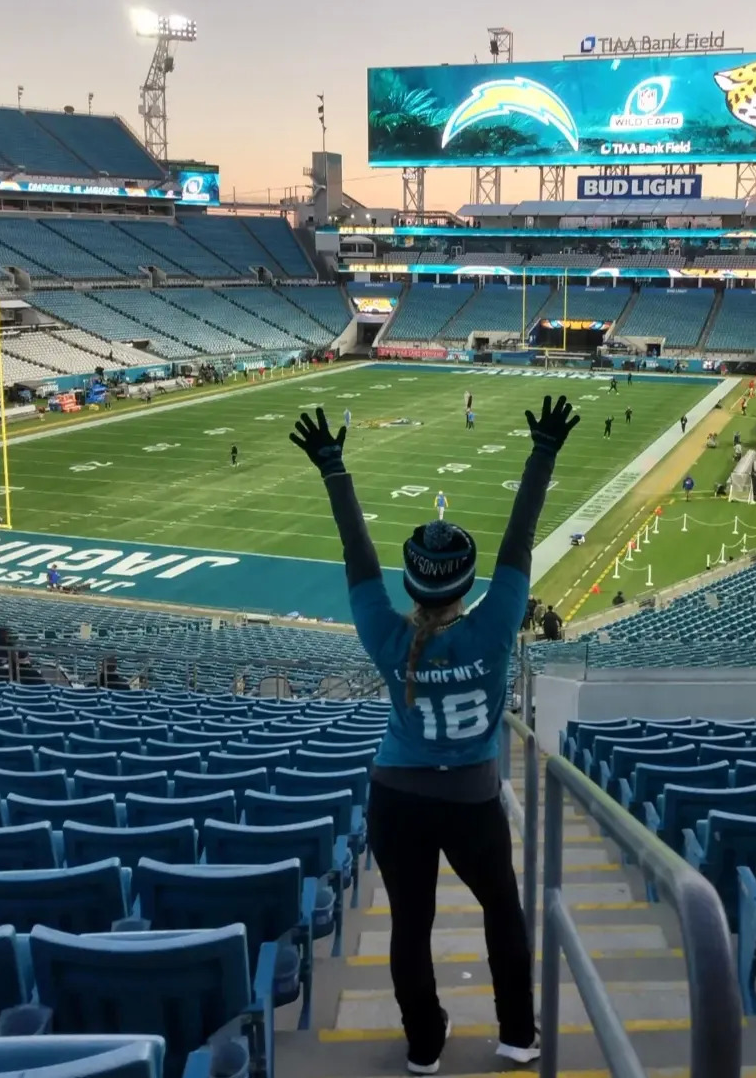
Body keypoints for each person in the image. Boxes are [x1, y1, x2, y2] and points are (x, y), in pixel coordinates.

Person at [289, 395, 579, 1074]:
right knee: (502, 912)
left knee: (409, 925)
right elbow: (519, 537)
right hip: (472, 797)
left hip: (397, 796)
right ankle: (516, 1033)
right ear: (466, 582)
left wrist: (334, 469)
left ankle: (424, 1044)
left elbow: (356, 553)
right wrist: (542, 453)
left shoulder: (386, 633)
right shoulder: (495, 622)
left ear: (412, 581)